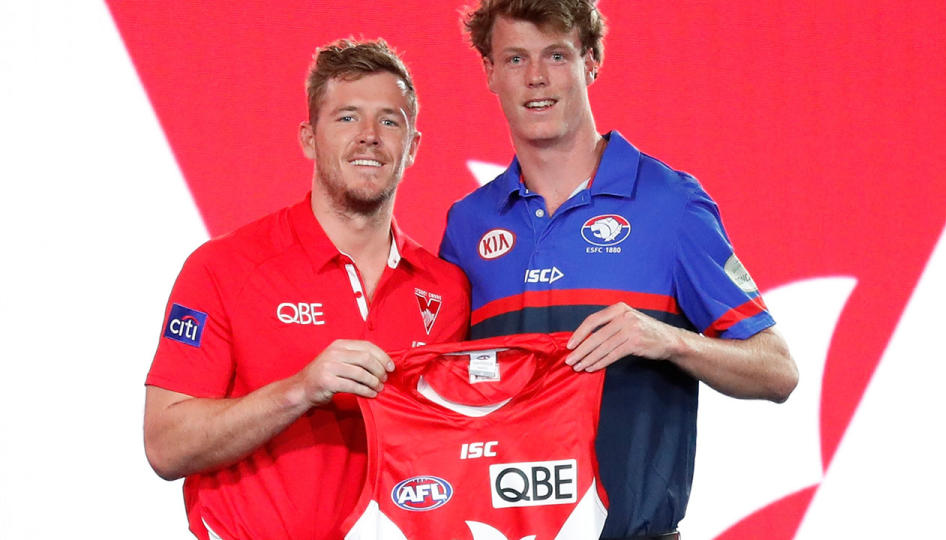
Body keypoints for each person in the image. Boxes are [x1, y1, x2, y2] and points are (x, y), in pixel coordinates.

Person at [439, 1, 799, 538]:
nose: (536, 78)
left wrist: (669, 340)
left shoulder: (671, 203)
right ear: (490, 73)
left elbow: (777, 371)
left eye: (556, 56)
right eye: (515, 59)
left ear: (592, 60)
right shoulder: (468, 224)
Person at [144, 39, 469, 540]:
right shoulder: (224, 267)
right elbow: (166, 446)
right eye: (346, 118)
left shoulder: (446, 288)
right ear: (308, 138)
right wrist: (302, 389)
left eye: (389, 121)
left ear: (413, 147)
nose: (369, 136)